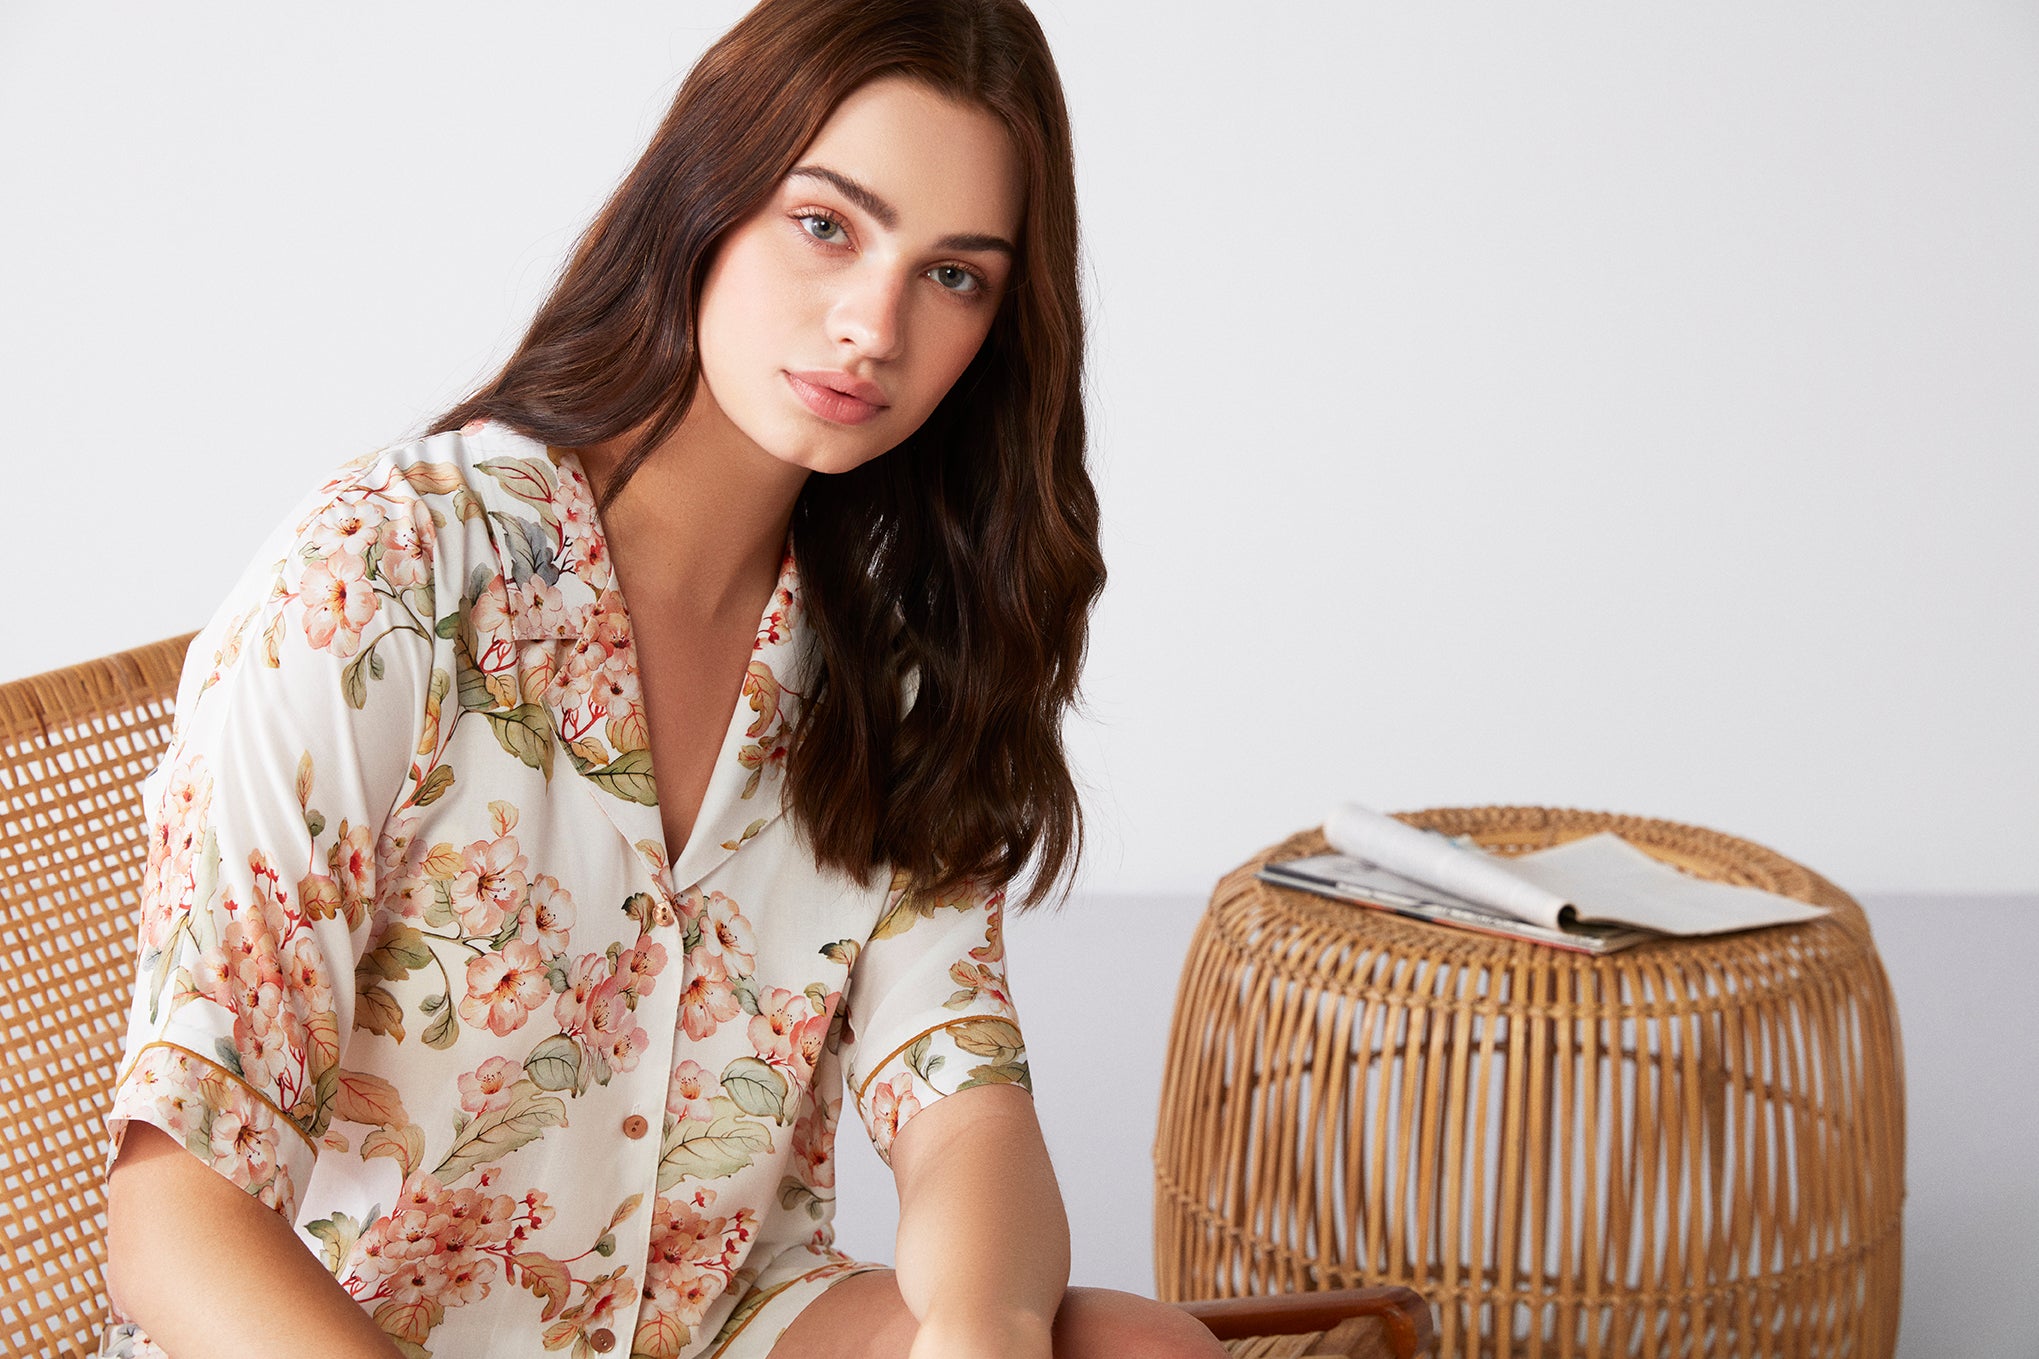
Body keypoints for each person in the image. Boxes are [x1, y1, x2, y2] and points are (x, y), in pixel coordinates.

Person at [98, 2, 1231, 1357]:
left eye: (955, 276)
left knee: (1134, 1346)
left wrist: (980, 1330)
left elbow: (965, 1106)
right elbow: (173, 1218)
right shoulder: (389, 577)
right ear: (711, 195)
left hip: (719, 1324)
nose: (874, 322)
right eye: (828, 225)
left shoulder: (891, 666)